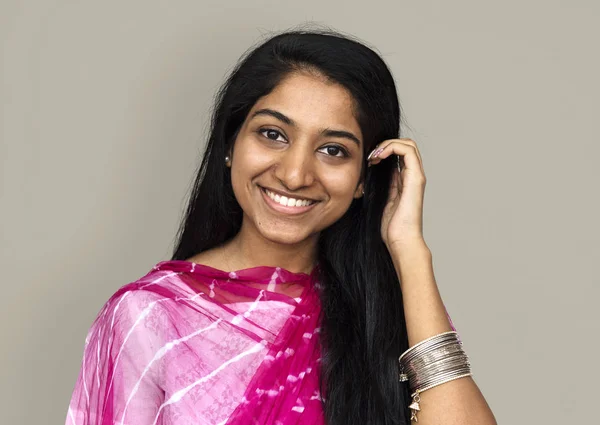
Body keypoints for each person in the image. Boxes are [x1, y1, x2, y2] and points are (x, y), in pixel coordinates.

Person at [65, 28, 497, 425]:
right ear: (230, 144)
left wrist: (409, 250)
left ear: (364, 178)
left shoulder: (386, 310)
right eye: (273, 134)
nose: (295, 175)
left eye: (332, 150)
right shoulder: (150, 317)